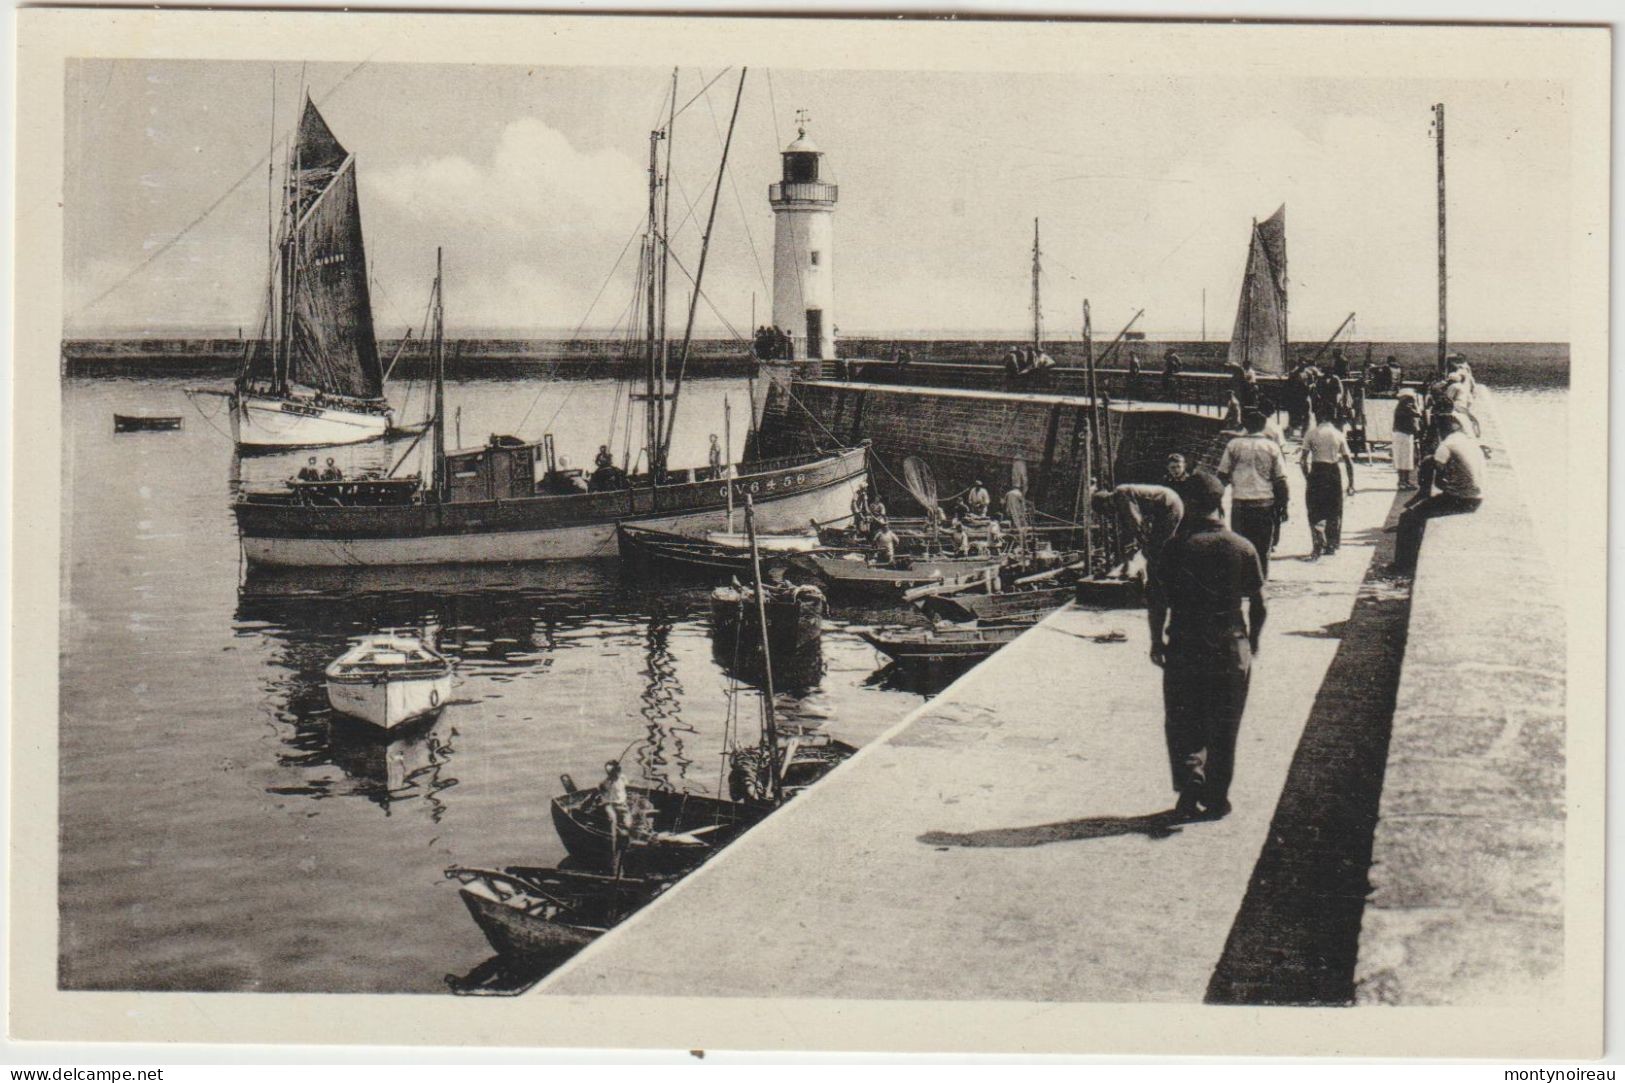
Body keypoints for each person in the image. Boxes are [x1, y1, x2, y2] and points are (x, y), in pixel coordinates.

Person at [1147, 470, 1266, 822]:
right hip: (1230, 645)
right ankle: (1217, 799)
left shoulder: (1173, 547)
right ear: (1220, 504)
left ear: (1190, 507)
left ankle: (1190, 783)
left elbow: (1157, 599)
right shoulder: (1242, 546)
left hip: (1185, 643)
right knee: (1225, 725)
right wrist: (1253, 642)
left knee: (1183, 719)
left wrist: (1156, 640)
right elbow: (1259, 603)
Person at [1392, 410, 1486, 573]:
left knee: (1408, 518)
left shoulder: (1446, 446)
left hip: (1460, 499)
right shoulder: (1467, 441)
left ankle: (1403, 566)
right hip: (1477, 497)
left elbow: (1438, 481)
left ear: (1440, 430)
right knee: (1421, 511)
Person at [1217, 409, 1289, 577]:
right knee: (1262, 548)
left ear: (1245, 426)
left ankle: (1242, 582)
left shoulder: (1233, 445)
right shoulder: (1271, 447)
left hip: (1240, 503)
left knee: (1240, 546)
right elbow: (1281, 480)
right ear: (1263, 426)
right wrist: (1283, 506)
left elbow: (1222, 476)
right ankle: (1259, 584)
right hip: (1265, 503)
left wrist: (1217, 501)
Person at [1092, 483, 1184, 585]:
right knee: (1153, 548)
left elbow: (1135, 522)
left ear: (1106, 502)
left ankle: (1162, 583)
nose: (1110, 513)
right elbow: (1127, 529)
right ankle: (1158, 579)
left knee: (1157, 549)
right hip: (1165, 506)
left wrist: (1138, 545)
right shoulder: (1120, 497)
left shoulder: (1121, 495)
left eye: (1106, 511)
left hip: (1170, 506)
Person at [1300, 414, 1357, 558]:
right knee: (1334, 509)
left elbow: (1302, 460)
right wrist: (1351, 483)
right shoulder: (1338, 434)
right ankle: (1331, 544)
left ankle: (1318, 538)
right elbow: (1349, 461)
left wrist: (1308, 477)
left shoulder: (1311, 433)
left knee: (1315, 507)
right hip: (1333, 472)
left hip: (1317, 470)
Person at [597, 760, 631, 870]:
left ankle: (627, 847)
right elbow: (601, 790)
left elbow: (627, 785)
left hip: (622, 805)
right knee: (612, 821)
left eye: (612, 771)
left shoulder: (622, 778)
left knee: (628, 825)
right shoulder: (606, 782)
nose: (610, 774)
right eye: (608, 772)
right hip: (609, 805)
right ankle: (613, 852)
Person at [1392, 389, 1422, 491]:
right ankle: (1403, 481)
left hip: (1404, 434)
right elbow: (1418, 413)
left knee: (1405, 459)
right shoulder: (1405, 406)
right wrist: (1416, 403)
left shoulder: (1402, 405)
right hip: (1403, 435)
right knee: (1404, 459)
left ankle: (1404, 481)